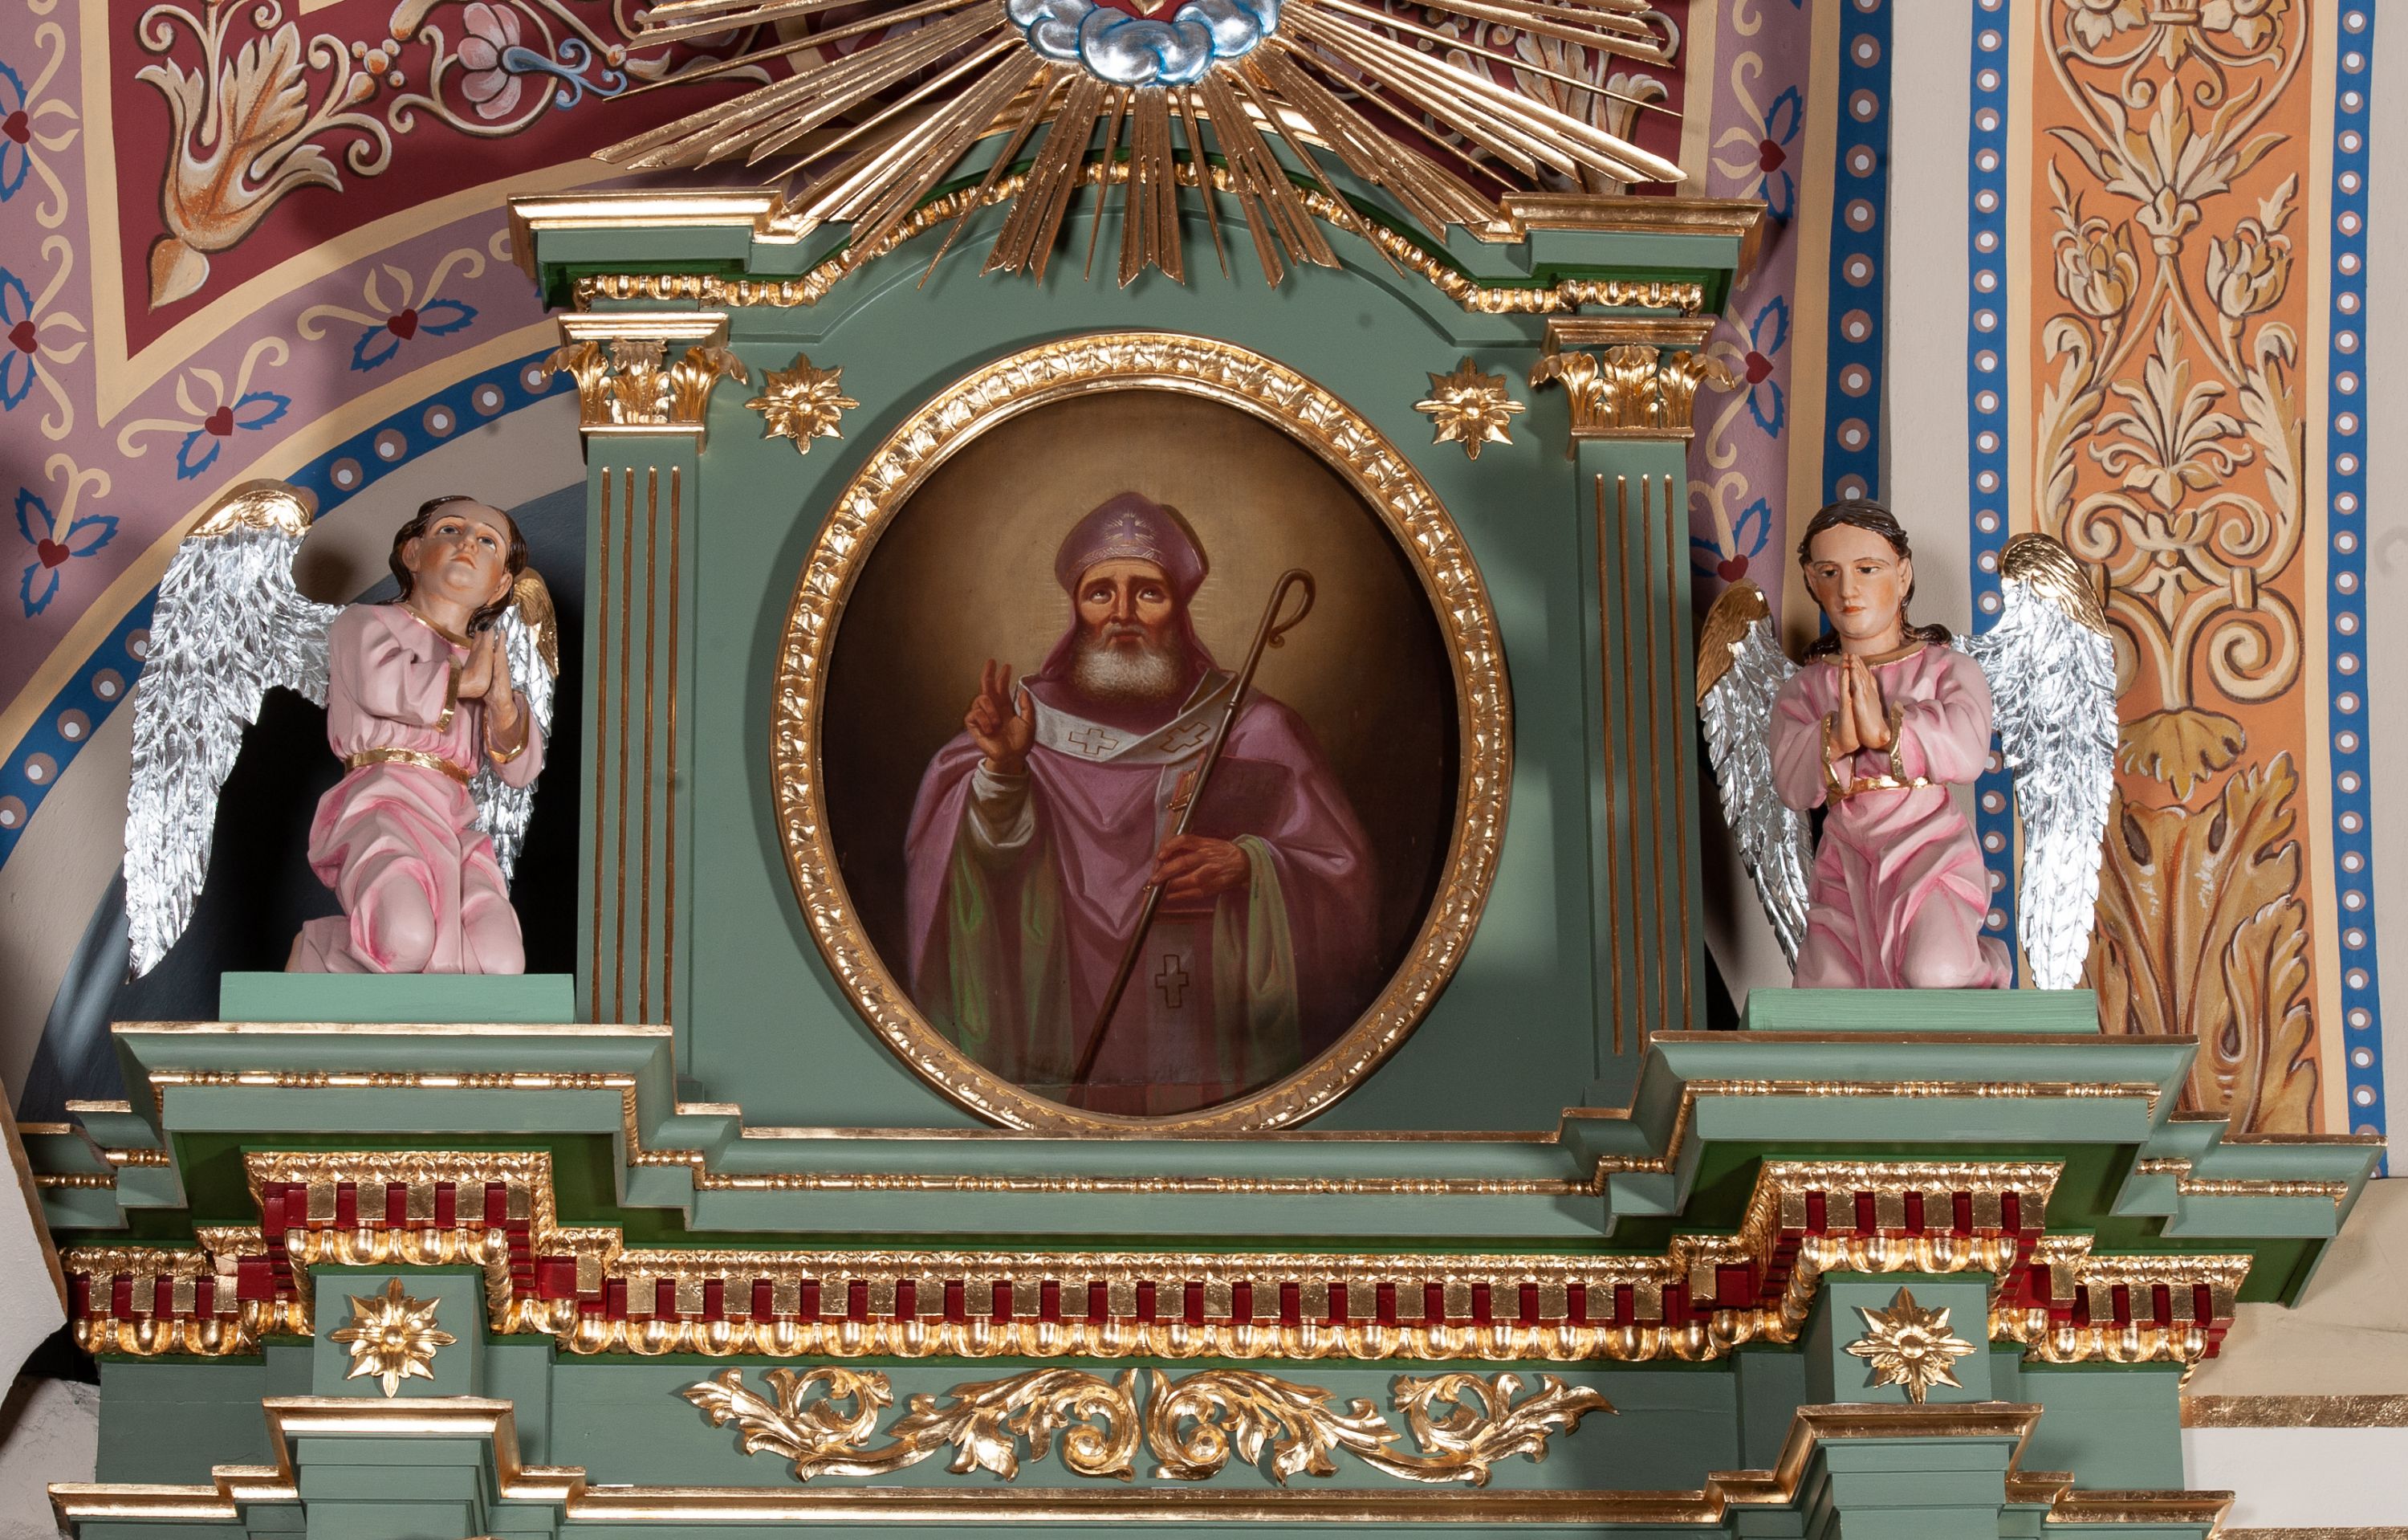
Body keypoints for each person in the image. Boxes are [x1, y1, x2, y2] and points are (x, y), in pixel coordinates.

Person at [903, 492, 1377, 1115]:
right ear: (1076, 609)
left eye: (1148, 593)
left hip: (1210, 1051)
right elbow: (961, 879)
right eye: (1100, 593)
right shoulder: (1019, 725)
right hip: (1059, 1030)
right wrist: (1004, 772)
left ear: (1180, 609)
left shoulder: (1254, 728)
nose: (1121, 614)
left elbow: (1340, 879)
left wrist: (1250, 866)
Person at [288, 495, 544, 974]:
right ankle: (322, 947)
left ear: (500, 584)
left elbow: (520, 770)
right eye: (450, 530)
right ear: (412, 553)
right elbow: (381, 684)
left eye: (488, 541)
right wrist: (463, 682)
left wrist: (501, 703)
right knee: (404, 940)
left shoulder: (487, 661)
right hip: (382, 803)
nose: (468, 543)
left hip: (453, 821)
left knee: (501, 962)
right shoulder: (366, 623)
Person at [1767, 500, 2010, 989]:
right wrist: (1835, 738)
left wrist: (1888, 733)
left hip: (1927, 846)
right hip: (1846, 858)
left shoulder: (1947, 669)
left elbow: (1967, 751)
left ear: (1902, 575)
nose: (1848, 589)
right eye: (1829, 572)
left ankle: (1988, 965)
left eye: (1867, 569)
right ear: (1812, 582)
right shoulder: (1806, 689)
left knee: (1935, 973)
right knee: (1826, 995)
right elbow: (1791, 786)